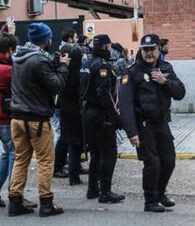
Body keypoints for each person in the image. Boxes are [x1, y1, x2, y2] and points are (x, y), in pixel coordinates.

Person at [9, 22, 70, 217]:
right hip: (36, 118)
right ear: (46, 40)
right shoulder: (38, 60)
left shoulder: (18, 55)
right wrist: (63, 66)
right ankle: (46, 203)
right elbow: (57, 85)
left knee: (21, 159)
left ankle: (15, 201)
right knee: (45, 161)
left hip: (17, 118)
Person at [119, 34, 185, 212]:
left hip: (161, 122)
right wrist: (131, 131)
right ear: (141, 50)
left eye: (152, 49)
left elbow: (180, 93)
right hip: (143, 125)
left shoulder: (166, 68)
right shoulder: (132, 71)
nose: (148, 53)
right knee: (152, 164)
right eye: (145, 49)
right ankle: (150, 201)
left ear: (158, 50)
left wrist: (165, 82)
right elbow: (125, 104)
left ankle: (160, 193)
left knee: (169, 160)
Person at [79, 34, 124, 203]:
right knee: (109, 153)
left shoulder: (86, 63)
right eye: (109, 47)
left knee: (95, 153)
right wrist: (116, 117)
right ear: (106, 47)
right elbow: (104, 94)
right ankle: (105, 191)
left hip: (87, 113)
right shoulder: (102, 66)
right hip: (101, 115)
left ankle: (92, 189)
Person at [59, 42, 84, 186]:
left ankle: (73, 174)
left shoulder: (64, 71)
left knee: (69, 141)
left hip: (64, 110)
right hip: (76, 111)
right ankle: (74, 176)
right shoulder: (78, 74)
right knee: (76, 144)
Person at [0, 34, 17, 207]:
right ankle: (15, 193)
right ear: (10, 50)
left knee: (6, 154)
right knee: (14, 154)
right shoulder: (8, 70)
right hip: (5, 119)